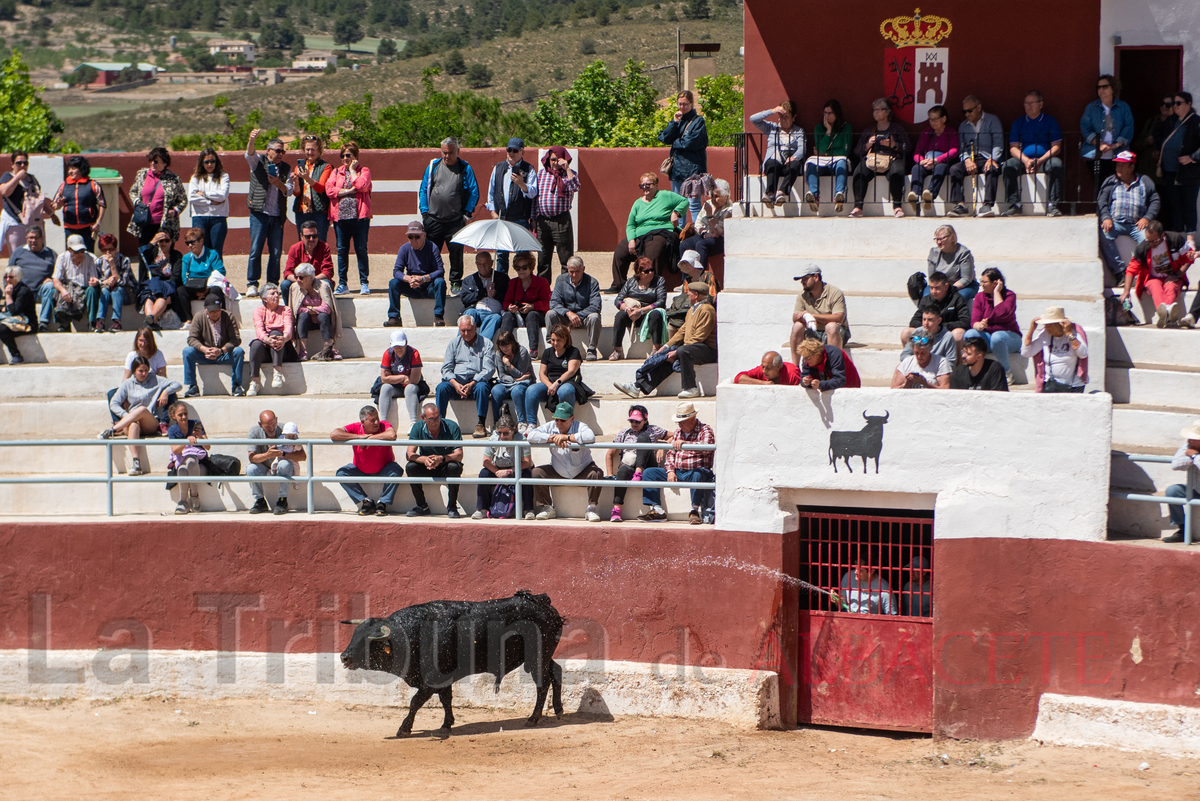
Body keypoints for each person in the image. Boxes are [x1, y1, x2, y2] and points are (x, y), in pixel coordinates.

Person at [615, 281, 716, 400]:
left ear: (696, 295)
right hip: (691, 347)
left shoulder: (707, 310)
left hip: (707, 350)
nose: (687, 294)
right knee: (665, 357)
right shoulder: (692, 310)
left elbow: (699, 337)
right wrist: (665, 347)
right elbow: (682, 331)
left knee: (682, 351)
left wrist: (677, 351)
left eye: (690, 292)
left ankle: (691, 388)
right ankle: (638, 387)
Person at [100, 355, 183, 476]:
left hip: (149, 421)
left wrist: (165, 392)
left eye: (146, 370)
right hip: (132, 423)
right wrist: (127, 415)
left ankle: (112, 431)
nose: (144, 373)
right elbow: (114, 403)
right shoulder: (128, 383)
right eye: (140, 371)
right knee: (133, 424)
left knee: (142, 409)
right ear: (134, 371)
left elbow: (178, 385)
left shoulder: (155, 379)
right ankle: (136, 463)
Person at [419, 137, 479, 295]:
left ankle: (456, 283)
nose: (447, 156)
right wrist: (425, 214)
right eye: (444, 152)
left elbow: (474, 192)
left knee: (456, 254)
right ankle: (431, 281)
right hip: (433, 220)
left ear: (458, 151)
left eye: (450, 153)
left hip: (455, 221)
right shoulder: (433, 166)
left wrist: (466, 214)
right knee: (431, 254)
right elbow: (423, 189)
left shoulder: (465, 168)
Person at [639, 401, 715, 525]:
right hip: (678, 471)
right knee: (649, 473)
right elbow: (670, 454)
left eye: (683, 421)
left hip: (697, 470)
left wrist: (685, 444)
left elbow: (707, 448)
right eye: (679, 422)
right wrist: (670, 471)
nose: (680, 425)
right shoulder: (677, 432)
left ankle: (694, 510)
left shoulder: (705, 430)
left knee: (698, 474)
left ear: (693, 418)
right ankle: (657, 509)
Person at [610, 173, 688, 291]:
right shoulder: (637, 203)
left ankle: (652, 285)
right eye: (642, 185)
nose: (645, 188)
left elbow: (684, 201)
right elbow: (631, 224)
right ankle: (619, 283)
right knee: (620, 250)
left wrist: (676, 213)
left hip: (661, 231)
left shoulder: (665, 195)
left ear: (656, 185)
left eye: (648, 185)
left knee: (653, 250)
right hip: (640, 234)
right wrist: (631, 239)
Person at [527, 401, 603, 522]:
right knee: (537, 472)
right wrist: (552, 438)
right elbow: (530, 435)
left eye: (563, 420)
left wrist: (567, 437)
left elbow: (590, 436)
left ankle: (591, 508)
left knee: (597, 473)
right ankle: (547, 507)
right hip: (558, 470)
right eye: (557, 419)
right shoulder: (551, 426)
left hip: (583, 470)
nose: (558, 423)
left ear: (572, 418)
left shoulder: (580, 426)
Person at [244, 130, 294, 297]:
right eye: (278, 150)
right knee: (255, 249)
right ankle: (252, 283)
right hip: (259, 213)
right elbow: (249, 154)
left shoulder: (286, 168)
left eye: (283, 151)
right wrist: (252, 139)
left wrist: (278, 182)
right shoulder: (259, 162)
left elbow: (289, 191)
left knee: (275, 252)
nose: (281, 154)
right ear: (269, 150)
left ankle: (272, 284)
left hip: (277, 215)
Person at [1098, 151, 1160, 281]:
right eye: (1117, 165)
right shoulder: (1110, 181)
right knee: (1104, 235)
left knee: (1148, 239)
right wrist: (1106, 217)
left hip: (1136, 224)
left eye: (1122, 165)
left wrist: (1147, 217)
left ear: (1132, 167)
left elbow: (1155, 200)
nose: (1118, 168)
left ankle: (1142, 272)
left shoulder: (1145, 181)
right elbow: (1102, 200)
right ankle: (1120, 272)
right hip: (1115, 223)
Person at [1002, 91, 1065, 217]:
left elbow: (1056, 147)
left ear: (1041, 104)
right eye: (1026, 103)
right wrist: (1026, 161)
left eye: (1032, 103)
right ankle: (1015, 204)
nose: (1028, 106)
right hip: (1023, 160)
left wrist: (1040, 160)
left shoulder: (1050, 121)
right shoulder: (1018, 123)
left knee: (1056, 165)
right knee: (1008, 165)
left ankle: (1052, 205)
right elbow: (1013, 148)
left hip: (1045, 159)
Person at [1120, 221, 1194, 328]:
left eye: (1154, 241)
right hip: (1152, 277)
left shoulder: (1174, 240)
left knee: (1171, 286)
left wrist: (1177, 275)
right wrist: (1126, 291)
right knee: (1154, 286)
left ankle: (1165, 314)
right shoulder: (1143, 248)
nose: (1151, 244)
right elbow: (1131, 269)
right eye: (1148, 240)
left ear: (1162, 235)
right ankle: (1167, 312)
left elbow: (1188, 259)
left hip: (1174, 275)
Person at [332, 406, 402, 516]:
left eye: (377, 418)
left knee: (396, 470)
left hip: (384, 468)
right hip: (359, 469)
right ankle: (366, 501)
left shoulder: (384, 425)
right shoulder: (355, 427)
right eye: (372, 420)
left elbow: (392, 434)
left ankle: (382, 502)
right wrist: (359, 437)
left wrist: (370, 439)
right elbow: (334, 434)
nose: (377, 422)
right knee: (341, 473)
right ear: (363, 422)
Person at [606, 404, 669, 523]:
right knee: (622, 470)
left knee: (644, 438)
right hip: (630, 465)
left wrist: (663, 447)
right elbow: (609, 453)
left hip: (648, 465)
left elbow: (672, 436)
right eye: (631, 421)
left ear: (645, 420)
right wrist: (610, 474)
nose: (634, 424)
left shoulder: (653, 430)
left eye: (637, 421)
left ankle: (639, 473)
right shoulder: (624, 433)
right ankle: (616, 510)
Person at [850, 98, 910, 218]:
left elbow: (908, 147)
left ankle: (897, 207)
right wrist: (868, 144)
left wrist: (893, 145)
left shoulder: (897, 129)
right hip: (873, 159)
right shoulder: (869, 130)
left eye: (879, 110)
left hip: (892, 158)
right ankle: (858, 207)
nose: (875, 113)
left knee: (897, 172)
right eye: (874, 110)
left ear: (887, 112)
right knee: (859, 172)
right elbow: (857, 151)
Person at [436, 315, 495, 438]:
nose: (466, 333)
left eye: (469, 329)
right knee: (441, 388)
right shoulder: (454, 343)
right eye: (463, 330)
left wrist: (473, 382)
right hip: (457, 382)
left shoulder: (486, 344)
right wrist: (455, 384)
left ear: (475, 327)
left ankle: (481, 424)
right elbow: (446, 368)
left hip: (476, 382)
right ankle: (439, 424)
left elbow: (488, 369)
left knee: (482, 387)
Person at [326, 140, 372, 296]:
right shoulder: (335, 172)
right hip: (340, 218)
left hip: (359, 217)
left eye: (348, 155)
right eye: (343, 155)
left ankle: (364, 283)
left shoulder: (363, 170)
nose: (345, 159)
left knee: (361, 249)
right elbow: (329, 189)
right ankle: (343, 283)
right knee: (342, 250)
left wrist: (352, 172)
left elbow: (362, 186)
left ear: (355, 156)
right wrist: (347, 191)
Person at [947, 95, 1005, 218]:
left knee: (992, 168)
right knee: (954, 169)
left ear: (979, 108)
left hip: (988, 157)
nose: (967, 114)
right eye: (964, 111)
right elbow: (961, 147)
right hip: (971, 159)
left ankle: (987, 205)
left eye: (969, 110)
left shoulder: (992, 120)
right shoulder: (963, 126)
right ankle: (960, 205)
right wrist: (967, 159)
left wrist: (993, 159)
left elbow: (998, 143)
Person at [405, 402, 465, 518]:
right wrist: (424, 460)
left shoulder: (452, 426)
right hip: (427, 465)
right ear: (423, 418)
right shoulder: (417, 427)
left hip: (445, 464)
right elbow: (409, 454)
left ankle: (452, 506)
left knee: (454, 467)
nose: (436, 421)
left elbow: (459, 455)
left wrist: (441, 459)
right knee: (410, 467)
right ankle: (422, 506)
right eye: (432, 419)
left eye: (438, 417)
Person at [486, 137, 537, 274]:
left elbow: (533, 193)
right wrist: (492, 211)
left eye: (515, 150)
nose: (511, 153)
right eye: (509, 150)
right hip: (501, 217)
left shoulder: (529, 169)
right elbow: (491, 192)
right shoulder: (498, 168)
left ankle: (523, 286)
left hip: (520, 218)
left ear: (522, 152)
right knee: (501, 255)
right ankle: (503, 286)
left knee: (522, 256)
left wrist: (521, 183)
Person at [658, 90, 708, 223]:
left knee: (694, 204)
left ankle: (698, 232)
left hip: (693, 170)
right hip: (677, 170)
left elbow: (690, 143)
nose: (682, 107)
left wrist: (674, 142)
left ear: (691, 104)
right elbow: (663, 137)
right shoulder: (678, 121)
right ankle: (679, 236)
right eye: (680, 104)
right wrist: (674, 122)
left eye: (685, 104)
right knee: (678, 206)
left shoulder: (698, 122)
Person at [1158, 92, 1200, 248]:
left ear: (1188, 104)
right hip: (1170, 170)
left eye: (1178, 103)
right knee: (1175, 204)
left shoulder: (1196, 122)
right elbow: (1158, 134)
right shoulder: (1171, 120)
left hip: (1189, 172)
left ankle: (1190, 239)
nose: (1174, 106)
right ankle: (1178, 238)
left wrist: (1192, 157)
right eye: (1174, 103)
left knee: (1188, 205)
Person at [182, 294, 245, 398]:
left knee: (238, 351)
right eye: (212, 311)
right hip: (204, 355)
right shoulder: (199, 317)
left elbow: (236, 339)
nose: (215, 313)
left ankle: (236, 385)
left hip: (223, 354)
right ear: (205, 309)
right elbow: (192, 338)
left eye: (217, 310)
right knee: (187, 351)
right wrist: (204, 349)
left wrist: (221, 350)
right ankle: (192, 386)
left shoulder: (228, 317)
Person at [966, 268, 1023, 383]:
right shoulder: (979, 297)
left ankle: (1006, 373)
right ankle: (975, 371)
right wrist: (979, 326)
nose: (981, 285)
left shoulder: (1009, 296)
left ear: (995, 283)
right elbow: (974, 321)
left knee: (997, 337)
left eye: (984, 282)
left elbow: (1001, 313)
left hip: (1009, 338)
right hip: (988, 337)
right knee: (970, 334)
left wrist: (996, 292)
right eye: (980, 281)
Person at [473, 414, 534, 520]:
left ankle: (528, 510)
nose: (501, 436)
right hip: (498, 469)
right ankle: (482, 509)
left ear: (513, 429)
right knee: (484, 474)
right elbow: (486, 461)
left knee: (527, 474)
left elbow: (527, 463)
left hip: (517, 468)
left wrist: (509, 471)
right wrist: (498, 473)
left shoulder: (521, 439)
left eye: (505, 433)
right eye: (499, 432)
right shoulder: (493, 439)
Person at [387, 220, 447, 327]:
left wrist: (423, 278)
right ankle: (394, 317)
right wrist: (408, 279)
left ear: (424, 235)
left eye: (417, 237)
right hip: (412, 286)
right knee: (393, 283)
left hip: (429, 286)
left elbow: (440, 271)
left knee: (440, 282)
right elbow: (396, 271)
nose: (414, 240)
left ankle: (438, 316)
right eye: (410, 237)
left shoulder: (432, 248)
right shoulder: (404, 249)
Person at [1081, 74, 1135, 192]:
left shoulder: (1123, 107)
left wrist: (1117, 144)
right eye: (1099, 87)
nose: (1101, 90)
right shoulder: (1091, 108)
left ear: (1113, 88)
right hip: (1095, 154)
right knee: (1101, 188)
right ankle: (1101, 210)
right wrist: (1098, 143)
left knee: (1117, 187)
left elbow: (1128, 126)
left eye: (1105, 87)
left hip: (1118, 154)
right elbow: (1085, 127)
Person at [532, 146, 579, 280]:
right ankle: (543, 290)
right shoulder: (541, 174)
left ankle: (566, 289)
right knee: (543, 260)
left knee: (565, 259)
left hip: (561, 220)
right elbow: (535, 198)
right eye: (552, 159)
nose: (555, 162)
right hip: (543, 221)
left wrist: (567, 169)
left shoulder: (570, 174)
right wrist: (533, 218)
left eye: (558, 159)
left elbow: (576, 187)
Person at [247, 409, 305, 515]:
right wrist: (267, 455)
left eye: (273, 424)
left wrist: (283, 454)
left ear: (276, 420)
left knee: (284, 464)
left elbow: (302, 456)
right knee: (251, 468)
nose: (271, 428)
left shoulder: (287, 429)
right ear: (260, 424)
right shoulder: (254, 432)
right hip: (264, 466)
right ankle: (260, 501)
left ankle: (282, 501)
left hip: (281, 465)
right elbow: (252, 458)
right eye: (267, 426)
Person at [126, 147, 187, 247]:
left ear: (165, 163)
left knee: (164, 256)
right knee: (145, 254)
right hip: (144, 222)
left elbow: (183, 200)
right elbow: (133, 191)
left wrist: (175, 211)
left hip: (164, 224)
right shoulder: (142, 175)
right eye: (150, 161)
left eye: (156, 161)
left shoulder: (174, 179)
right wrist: (137, 202)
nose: (152, 164)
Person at [750, 101, 807, 208]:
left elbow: (802, 148)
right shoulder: (771, 128)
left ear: (793, 117)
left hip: (788, 163)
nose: (783, 120)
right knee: (771, 163)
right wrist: (772, 111)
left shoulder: (798, 131)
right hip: (774, 161)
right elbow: (753, 119)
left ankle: (781, 193)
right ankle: (770, 195)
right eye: (781, 116)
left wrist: (794, 157)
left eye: (786, 117)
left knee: (795, 165)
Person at [1020, 306, 1088, 393]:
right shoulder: (1044, 334)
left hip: (1073, 385)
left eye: (1049, 325)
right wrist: (1031, 331)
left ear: (1059, 324)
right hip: (1050, 384)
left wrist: (1068, 334)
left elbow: (1083, 354)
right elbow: (1026, 353)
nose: (1046, 327)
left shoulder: (1075, 333)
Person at [610, 256, 667, 360]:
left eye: (652, 270)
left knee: (656, 315)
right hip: (632, 315)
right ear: (638, 272)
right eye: (646, 271)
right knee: (620, 315)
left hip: (649, 315)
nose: (650, 273)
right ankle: (617, 350)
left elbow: (661, 302)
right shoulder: (631, 282)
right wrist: (628, 309)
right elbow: (618, 300)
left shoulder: (659, 281)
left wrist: (641, 311)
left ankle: (656, 349)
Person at [906, 105, 959, 216]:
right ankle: (915, 194)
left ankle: (930, 194)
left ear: (943, 119)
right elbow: (917, 152)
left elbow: (954, 150)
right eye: (930, 119)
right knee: (916, 168)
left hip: (942, 162)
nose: (932, 122)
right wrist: (921, 161)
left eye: (935, 119)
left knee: (941, 167)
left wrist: (937, 160)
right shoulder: (926, 132)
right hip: (927, 161)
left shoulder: (951, 132)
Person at [789, 264, 849, 360]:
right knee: (797, 326)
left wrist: (811, 316)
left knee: (831, 326)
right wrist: (804, 317)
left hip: (835, 333)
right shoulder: (802, 295)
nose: (802, 282)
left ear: (816, 277)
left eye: (805, 279)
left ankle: (833, 368)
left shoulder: (835, 293)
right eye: (801, 280)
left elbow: (839, 318)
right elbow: (795, 317)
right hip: (813, 332)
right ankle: (795, 369)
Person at [803, 99, 853, 213]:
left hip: (837, 162)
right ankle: (814, 196)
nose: (827, 116)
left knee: (842, 162)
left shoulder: (847, 128)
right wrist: (828, 131)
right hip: (821, 163)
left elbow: (844, 151)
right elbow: (820, 148)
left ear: (837, 114)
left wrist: (825, 153)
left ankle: (839, 196)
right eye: (825, 113)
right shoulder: (819, 128)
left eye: (830, 113)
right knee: (811, 163)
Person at [548, 256, 602, 360]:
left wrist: (577, 317)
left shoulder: (592, 282)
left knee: (594, 317)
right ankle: (552, 345)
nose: (574, 275)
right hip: (566, 316)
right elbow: (554, 302)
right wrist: (568, 313)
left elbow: (596, 306)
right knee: (550, 314)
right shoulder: (561, 280)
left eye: (577, 271)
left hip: (584, 317)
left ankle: (591, 349)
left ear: (583, 269)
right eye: (571, 271)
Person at [247, 283, 297, 396]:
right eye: (272, 293)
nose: (276, 295)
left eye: (277, 293)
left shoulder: (286, 309)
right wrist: (267, 340)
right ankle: (254, 381)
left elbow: (288, 327)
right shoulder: (258, 311)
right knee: (255, 344)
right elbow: (259, 330)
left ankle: (277, 373)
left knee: (275, 334)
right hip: (267, 347)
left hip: (284, 349)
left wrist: (284, 338)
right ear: (264, 298)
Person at [530, 323, 585, 423]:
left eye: (558, 340)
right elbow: (542, 374)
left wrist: (556, 383)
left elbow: (571, 371)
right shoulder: (547, 352)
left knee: (564, 391)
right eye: (553, 340)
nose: (555, 343)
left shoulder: (573, 351)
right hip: (550, 384)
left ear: (565, 339)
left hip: (567, 382)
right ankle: (531, 424)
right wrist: (550, 385)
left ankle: (566, 422)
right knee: (531, 390)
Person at [1, 151, 51, 257]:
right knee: (18, 255)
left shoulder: (32, 179)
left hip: (33, 223)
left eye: (25, 163)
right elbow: (4, 192)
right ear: (12, 164)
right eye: (19, 163)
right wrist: (17, 178)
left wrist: (51, 214)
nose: (23, 165)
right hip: (15, 222)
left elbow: (39, 200)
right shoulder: (7, 176)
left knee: (37, 254)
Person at [499, 252, 550, 354]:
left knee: (532, 315)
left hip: (536, 315)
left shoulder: (542, 282)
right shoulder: (513, 283)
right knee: (508, 315)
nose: (521, 271)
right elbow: (506, 301)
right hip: (518, 314)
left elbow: (547, 303)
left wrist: (533, 306)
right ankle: (503, 346)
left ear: (531, 268)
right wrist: (510, 307)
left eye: (524, 267)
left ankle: (533, 349)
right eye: (518, 268)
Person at [52, 155, 105, 253]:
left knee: (88, 254)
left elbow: (102, 204)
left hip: (88, 228)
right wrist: (58, 206)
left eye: (73, 168)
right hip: (69, 228)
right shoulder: (64, 185)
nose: (70, 172)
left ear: (82, 169)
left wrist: (98, 222)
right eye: (69, 168)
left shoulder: (93, 185)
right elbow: (54, 205)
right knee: (71, 254)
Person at [48, 234, 101, 332]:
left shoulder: (90, 258)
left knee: (92, 291)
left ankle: (92, 322)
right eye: (77, 252)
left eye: (82, 251)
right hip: (68, 288)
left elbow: (94, 278)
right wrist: (63, 291)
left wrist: (94, 282)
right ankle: (63, 324)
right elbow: (56, 280)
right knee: (52, 292)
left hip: (84, 288)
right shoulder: (62, 258)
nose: (80, 254)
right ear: (69, 249)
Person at [902, 275, 970, 349]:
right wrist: (928, 326)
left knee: (958, 334)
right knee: (906, 333)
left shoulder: (957, 299)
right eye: (931, 288)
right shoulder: (926, 300)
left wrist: (939, 327)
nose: (934, 292)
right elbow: (914, 321)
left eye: (937, 288)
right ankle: (913, 359)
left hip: (947, 332)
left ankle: (956, 360)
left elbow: (965, 321)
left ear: (946, 286)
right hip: (928, 332)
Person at [290, 262, 341, 361]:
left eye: (301, 277)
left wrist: (309, 308)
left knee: (323, 315)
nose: (298, 280)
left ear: (311, 277)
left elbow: (327, 308)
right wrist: (312, 309)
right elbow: (296, 309)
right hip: (306, 322)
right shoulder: (295, 287)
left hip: (323, 321)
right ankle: (302, 351)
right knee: (303, 315)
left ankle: (329, 349)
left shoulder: (323, 285)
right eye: (296, 277)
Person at [9, 225, 56, 332]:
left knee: (50, 286)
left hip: (41, 292)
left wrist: (52, 279)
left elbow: (59, 275)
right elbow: (9, 272)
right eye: (30, 238)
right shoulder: (19, 252)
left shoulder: (51, 254)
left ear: (42, 238)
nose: (33, 240)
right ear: (26, 238)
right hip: (22, 293)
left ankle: (43, 323)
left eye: (36, 238)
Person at [377, 329, 426, 429]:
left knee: (410, 388)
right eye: (395, 346)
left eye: (401, 345)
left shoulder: (414, 353)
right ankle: (383, 423)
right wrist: (403, 377)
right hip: (395, 387)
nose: (398, 348)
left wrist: (392, 377)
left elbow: (414, 380)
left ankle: (413, 422)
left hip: (411, 386)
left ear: (406, 343)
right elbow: (384, 378)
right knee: (385, 388)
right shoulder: (387, 354)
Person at [136, 231, 185, 330]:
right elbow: (141, 257)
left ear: (171, 241)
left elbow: (175, 276)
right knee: (149, 297)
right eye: (161, 240)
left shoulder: (176, 255)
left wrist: (162, 286)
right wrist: (152, 242)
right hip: (151, 283)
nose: (163, 243)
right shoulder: (153, 253)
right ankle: (151, 322)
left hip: (167, 284)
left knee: (162, 296)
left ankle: (151, 318)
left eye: (166, 240)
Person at [187, 148, 230, 258]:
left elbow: (222, 195)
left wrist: (204, 193)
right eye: (206, 162)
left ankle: (218, 275)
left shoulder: (223, 177)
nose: (210, 164)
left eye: (212, 161)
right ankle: (203, 275)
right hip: (199, 217)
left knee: (216, 250)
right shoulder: (195, 178)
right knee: (201, 250)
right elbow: (192, 197)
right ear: (202, 163)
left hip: (218, 217)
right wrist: (211, 201)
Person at [166, 401, 208, 514]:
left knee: (190, 460)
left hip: (199, 465)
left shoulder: (196, 423)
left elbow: (208, 446)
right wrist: (186, 441)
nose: (184, 417)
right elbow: (175, 450)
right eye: (180, 415)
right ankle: (184, 500)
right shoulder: (172, 430)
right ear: (173, 416)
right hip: (182, 463)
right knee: (182, 469)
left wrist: (200, 437)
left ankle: (191, 497)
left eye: (185, 413)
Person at [680, 178, 732, 268]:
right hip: (705, 235)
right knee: (685, 244)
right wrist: (704, 233)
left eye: (716, 196)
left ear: (725, 197)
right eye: (712, 196)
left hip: (720, 240)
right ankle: (686, 279)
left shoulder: (729, 210)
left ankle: (701, 276)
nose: (713, 199)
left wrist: (709, 216)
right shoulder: (708, 204)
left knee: (701, 244)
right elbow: (697, 223)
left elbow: (718, 232)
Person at [490, 329, 535, 433]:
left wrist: (508, 365)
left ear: (512, 343)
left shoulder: (522, 351)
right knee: (495, 391)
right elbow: (502, 376)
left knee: (517, 391)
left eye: (506, 345)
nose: (504, 348)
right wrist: (516, 379)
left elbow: (521, 373)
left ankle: (522, 421)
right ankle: (497, 422)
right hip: (507, 382)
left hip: (524, 382)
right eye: (501, 346)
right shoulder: (499, 354)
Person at [1162, 420, 1200, 543]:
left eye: (1194, 438)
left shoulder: (1192, 450)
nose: (1189, 440)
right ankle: (1182, 530)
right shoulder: (1189, 445)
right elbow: (1176, 464)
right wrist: (1190, 457)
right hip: (1196, 489)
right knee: (1172, 491)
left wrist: (1195, 456)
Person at [460, 251, 509, 340]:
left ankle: (482, 346)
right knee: (469, 314)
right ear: (476, 264)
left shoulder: (503, 278)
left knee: (496, 318)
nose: (482, 267)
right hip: (476, 311)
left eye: (485, 264)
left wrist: (495, 293)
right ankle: (460, 345)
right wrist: (484, 292)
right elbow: (465, 299)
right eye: (479, 264)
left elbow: (508, 297)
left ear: (491, 263)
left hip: (493, 314)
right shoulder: (469, 279)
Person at [292, 134, 332, 245]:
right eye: (307, 149)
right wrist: (295, 181)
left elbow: (321, 188)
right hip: (302, 211)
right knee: (303, 244)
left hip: (319, 212)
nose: (310, 152)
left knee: (320, 243)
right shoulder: (299, 167)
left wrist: (307, 178)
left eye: (313, 150)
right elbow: (297, 193)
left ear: (319, 150)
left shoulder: (326, 166)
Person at [283, 220, 334, 301]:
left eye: (314, 236)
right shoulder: (294, 248)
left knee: (327, 283)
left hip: (317, 281)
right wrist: (301, 281)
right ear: (301, 236)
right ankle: (290, 311)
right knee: (285, 284)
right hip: (299, 282)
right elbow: (288, 273)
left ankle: (326, 311)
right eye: (308, 237)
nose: (311, 239)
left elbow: (327, 271)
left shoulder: (324, 247)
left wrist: (311, 280)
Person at [95, 233, 136, 334]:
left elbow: (122, 282)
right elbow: (95, 281)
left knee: (116, 291)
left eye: (111, 249)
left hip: (126, 293)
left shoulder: (124, 260)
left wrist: (112, 264)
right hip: (107, 292)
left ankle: (116, 322)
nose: (108, 252)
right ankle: (100, 321)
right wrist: (105, 282)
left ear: (116, 248)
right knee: (104, 290)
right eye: (104, 250)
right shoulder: (99, 262)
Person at [925, 226, 978, 302]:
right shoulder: (934, 253)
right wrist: (940, 289)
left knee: (955, 300)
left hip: (963, 286)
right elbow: (932, 277)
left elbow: (966, 279)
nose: (939, 242)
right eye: (937, 239)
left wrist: (947, 290)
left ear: (952, 237)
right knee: (927, 298)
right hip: (939, 286)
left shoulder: (963, 253)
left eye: (942, 238)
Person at [831, 557, 897, 616]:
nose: (855, 572)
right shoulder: (848, 577)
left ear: (871, 571)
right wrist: (837, 600)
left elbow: (892, 617)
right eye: (855, 568)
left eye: (860, 570)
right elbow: (842, 606)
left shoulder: (884, 589)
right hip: (849, 620)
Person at [180, 226, 226, 304]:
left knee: (216, 290)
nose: (190, 245)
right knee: (180, 290)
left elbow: (220, 272)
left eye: (192, 242)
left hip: (209, 287)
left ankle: (221, 313)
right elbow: (184, 278)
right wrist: (196, 291)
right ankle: (187, 316)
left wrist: (206, 288)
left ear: (201, 241)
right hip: (194, 288)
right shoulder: (186, 258)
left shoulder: (212, 254)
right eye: (187, 243)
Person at [1, 265, 35, 364]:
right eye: (5, 277)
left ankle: (17, 356)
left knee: (2, 329)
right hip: (14, 322)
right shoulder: (12, 289)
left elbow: (14, 311)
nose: (7, 280)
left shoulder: (24, 291)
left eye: (10, 277)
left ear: (18, 277)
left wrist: (8, 296)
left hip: (28, 324)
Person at [734, 350, 803, 385]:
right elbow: (738, 378)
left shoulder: (792, 373)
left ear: (778, 367)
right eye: (763, 367)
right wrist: (763, 383)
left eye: (768, 368)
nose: (764, 371)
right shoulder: (761, 370)